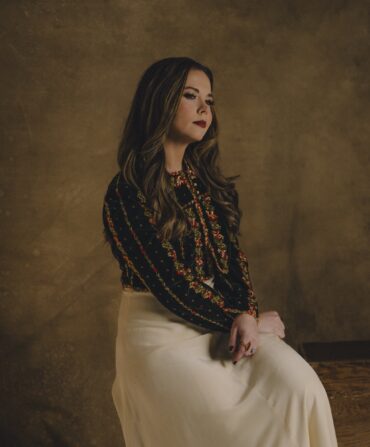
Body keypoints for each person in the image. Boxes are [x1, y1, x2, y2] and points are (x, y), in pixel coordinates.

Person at [102, 57, 338, 447]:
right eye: (190, 96)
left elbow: (234, 263)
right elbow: (169, 283)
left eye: (209, 100)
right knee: (224, 427)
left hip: (222, 322)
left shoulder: (208, 183)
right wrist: (243, 319)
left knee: (302, 388)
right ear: (159, 102)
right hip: (158, 335)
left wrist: (246, 314)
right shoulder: (126, 192)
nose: (203, 109)